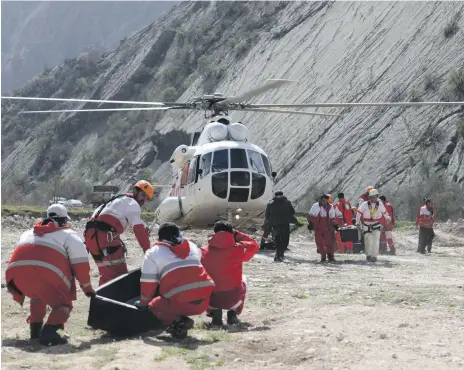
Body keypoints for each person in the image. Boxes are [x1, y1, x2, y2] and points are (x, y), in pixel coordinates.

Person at [4, 204, 95, 346]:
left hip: (15, 277)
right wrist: (87, 288)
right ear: (65, 220)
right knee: (63, 305)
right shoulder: (69, 235)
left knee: (38, 295)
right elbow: (81, 265)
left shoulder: (27, 233)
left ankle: (35, 331)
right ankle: (50, 332)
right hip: (46, 274)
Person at [134, 222, 215, 339]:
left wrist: (143, 303)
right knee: (178, 293)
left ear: (160, 237)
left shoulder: (153, 252)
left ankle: (177, 325)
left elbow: (148, 284)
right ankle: (182, 319)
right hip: (203, 302)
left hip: (181, 302)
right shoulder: (192, 246)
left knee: (154, 305)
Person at [84, 180, 154, 285]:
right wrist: (149, 253)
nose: (143, 200)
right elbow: (139, 230)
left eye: (147, 199)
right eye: (143, 195)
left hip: (91, 237)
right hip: (105, 238)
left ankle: (100, 299)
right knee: (119, 276)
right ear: (135, 191)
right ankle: (109, 300)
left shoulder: (117, 200)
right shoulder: (133, 204)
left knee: (107, 275)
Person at [201, 221, 259, 326]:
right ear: (231, 232)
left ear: (214, 233)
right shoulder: (239, 249)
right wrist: (237, 234)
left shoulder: (203, 251)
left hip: (210, 301)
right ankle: (233, 313)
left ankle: (214, 312)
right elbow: (254, 245)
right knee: (244, 278)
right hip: (233, 299)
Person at [356, 189, 391, 262]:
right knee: (368, 241)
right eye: (371, 197)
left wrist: (388, 218)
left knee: (376, 240)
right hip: (366, 224)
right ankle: (368, 255)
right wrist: (357, 223)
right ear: (369, 197)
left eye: (374, 197)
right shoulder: (365, 204)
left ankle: (374, 256)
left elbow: (385, 213)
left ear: (377, 197)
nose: (373, 199)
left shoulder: (380, 204)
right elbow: (358, 213)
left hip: (376, 224)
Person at [308, 194, 342, 262]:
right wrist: (311, 224)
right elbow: (310, 215)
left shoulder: (331, 206)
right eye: (323, 200)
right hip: (318, 226)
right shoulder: (315, 206)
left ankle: (330, 256)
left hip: (328, 226)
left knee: (331, 242)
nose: (325, 202)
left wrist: (335, 225)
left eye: (326, 200)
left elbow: (332, 217)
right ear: (321, 199)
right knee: (320, 242)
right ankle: (323, 256)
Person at [264, 190, 296, 262]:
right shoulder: (287, 202)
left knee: (277, 239)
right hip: (285, 224)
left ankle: (278, 255)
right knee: (285, 240)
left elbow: (266, 215)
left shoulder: (270, 203)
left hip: (275, 225)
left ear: (275, 195)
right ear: (282, 195)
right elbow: (293, 212)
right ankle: (281, 254)